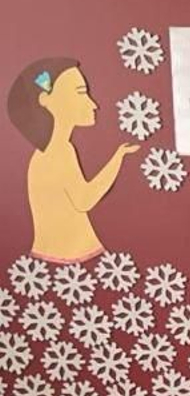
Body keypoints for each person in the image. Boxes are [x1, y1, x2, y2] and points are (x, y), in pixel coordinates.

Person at [7, 57, 140, 263]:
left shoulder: (53, 151)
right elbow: (84, 199)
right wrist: (118, 158)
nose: (93, 104)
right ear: (46, 101)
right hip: (68, 257)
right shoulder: (58, 152)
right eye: (81, 93)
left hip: (67, 256)